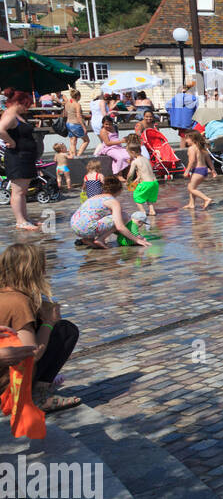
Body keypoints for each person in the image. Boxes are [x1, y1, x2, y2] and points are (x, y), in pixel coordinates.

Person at [0, 243, 82, 412]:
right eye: (42, 267)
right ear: (32, 271)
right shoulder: (18, 301)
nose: (45, 273)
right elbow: (32, 353)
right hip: (7, 385)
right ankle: (38, 396)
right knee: (65, 330)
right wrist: (48, 323)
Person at [0, 89, 44, 231]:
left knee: (23, 191)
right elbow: (1, 129)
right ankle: (20, 221)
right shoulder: (10, 114)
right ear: (19, 102)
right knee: (18, 191)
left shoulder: (17, 115)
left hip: (25, 156)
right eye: (26, 105)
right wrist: (11, 141)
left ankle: (25, 218)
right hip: (17, 157)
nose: (27, 108)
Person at [70, 174, 150, 249]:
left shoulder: (95, 197)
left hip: (75, 226)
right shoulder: (113, 202)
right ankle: (100, 239)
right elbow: (119, 227)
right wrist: (137, 240)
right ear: (120, 190)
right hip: (87, 228)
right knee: (124, 216)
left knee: (94, 218)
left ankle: (87, 240)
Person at [123, 135, 159, 220]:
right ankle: (152, 210)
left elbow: (130, 174)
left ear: (132, 152)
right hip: (154, 183)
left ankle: (142, 212)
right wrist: (137, 179)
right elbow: (144, 172)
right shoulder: (146, 159)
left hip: (146, 183)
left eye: (128, 153)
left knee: (136, 196)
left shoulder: (135, 161)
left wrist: (128, 182)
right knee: (149, 196)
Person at [180, 130, 212, 210]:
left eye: (187, 139)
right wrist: (213, 169)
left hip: (198, 171)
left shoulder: (191, 148)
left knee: (191, 188)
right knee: (191, 186)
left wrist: (187, 171)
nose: (186, 141)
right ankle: (191, 204)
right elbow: (208, 159)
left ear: (192, 139)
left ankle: (206, 199)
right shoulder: (201, 148)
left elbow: (192, 161)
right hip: (203, 170)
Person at [64, 89, 88, 157]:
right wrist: (84, 127)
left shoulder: (67, 102)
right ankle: (78, 155)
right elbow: (78, 116)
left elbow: (68, 113)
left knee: (73, 142)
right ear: (78, 96)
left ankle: (73, 156)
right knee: (86, 140)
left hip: (68, 123)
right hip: (75, 124)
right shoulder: (77, 104)